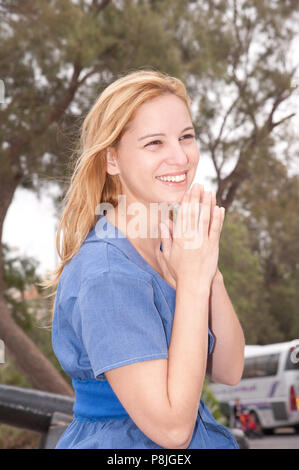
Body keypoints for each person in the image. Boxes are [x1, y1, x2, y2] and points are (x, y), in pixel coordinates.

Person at [45, 69, 245, 449]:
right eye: (154, 143)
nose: (180, 156)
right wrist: (192, 284)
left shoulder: (174, 246)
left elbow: (229, 369)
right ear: (112, 160)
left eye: (186, 137)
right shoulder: (108, 273)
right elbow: (171, 431)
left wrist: (207, 272)